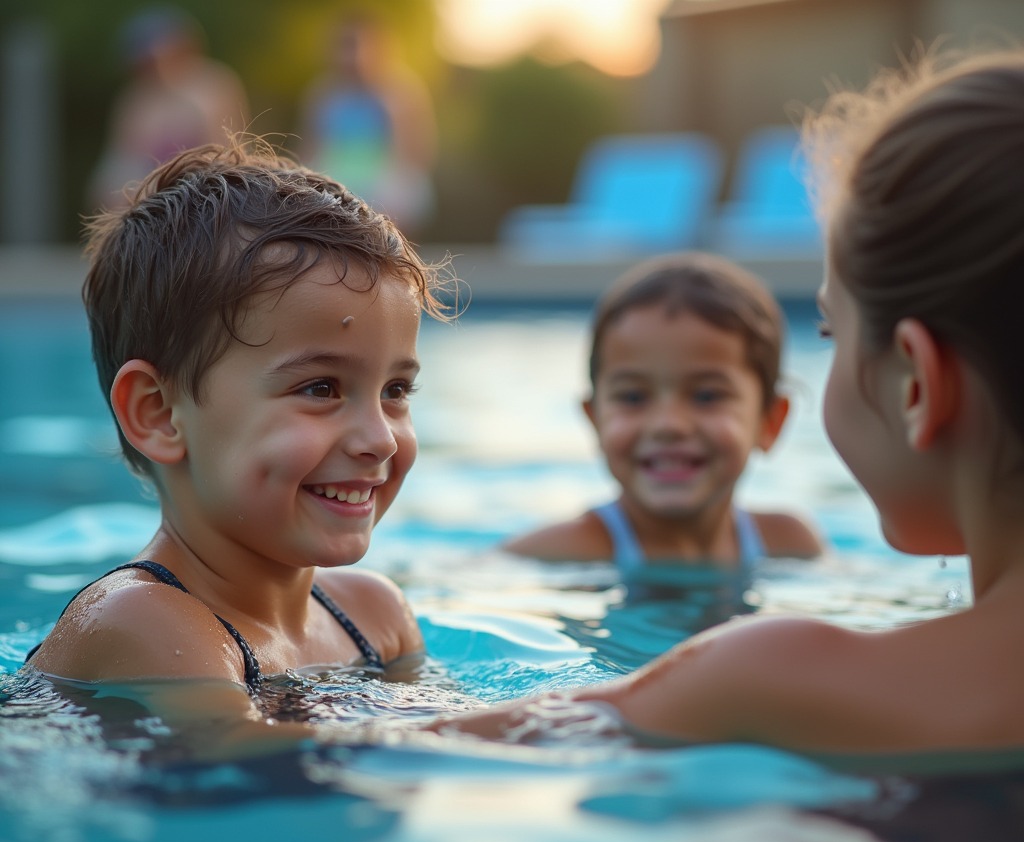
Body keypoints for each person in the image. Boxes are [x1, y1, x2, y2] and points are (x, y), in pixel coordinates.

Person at [433, 48, 1024, 754]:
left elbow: (372, 743)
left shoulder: (766, 676)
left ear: (916, 385)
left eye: (830, 332)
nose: (670, 423)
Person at [27, 137, 450, 747]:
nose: (379, 438)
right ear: (159, 414)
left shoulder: (374, 614)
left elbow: (447, 739)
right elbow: (251, 757)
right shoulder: (140, 620)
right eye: (322, 387)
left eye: (396, 390)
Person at [502, 251, 825, 566]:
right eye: (633, 398)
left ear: (769, 422)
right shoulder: (560, 554)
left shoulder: (787, 544)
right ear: (595, 420)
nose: (668, 424)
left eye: (707, 396)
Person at [87, 6, 250, 212]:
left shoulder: (213, 86)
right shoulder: (135, 99)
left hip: (205, 195)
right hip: (155, 199)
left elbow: (225, 153)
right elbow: (119, 165)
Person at [299, 12, 437, 235]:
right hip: (335, 178)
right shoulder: (323, 94)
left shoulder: (404, 92)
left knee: (395, 199)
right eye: (345, 46)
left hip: (387, 181)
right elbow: (309, 151)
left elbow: (417, 157)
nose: (352, 56)